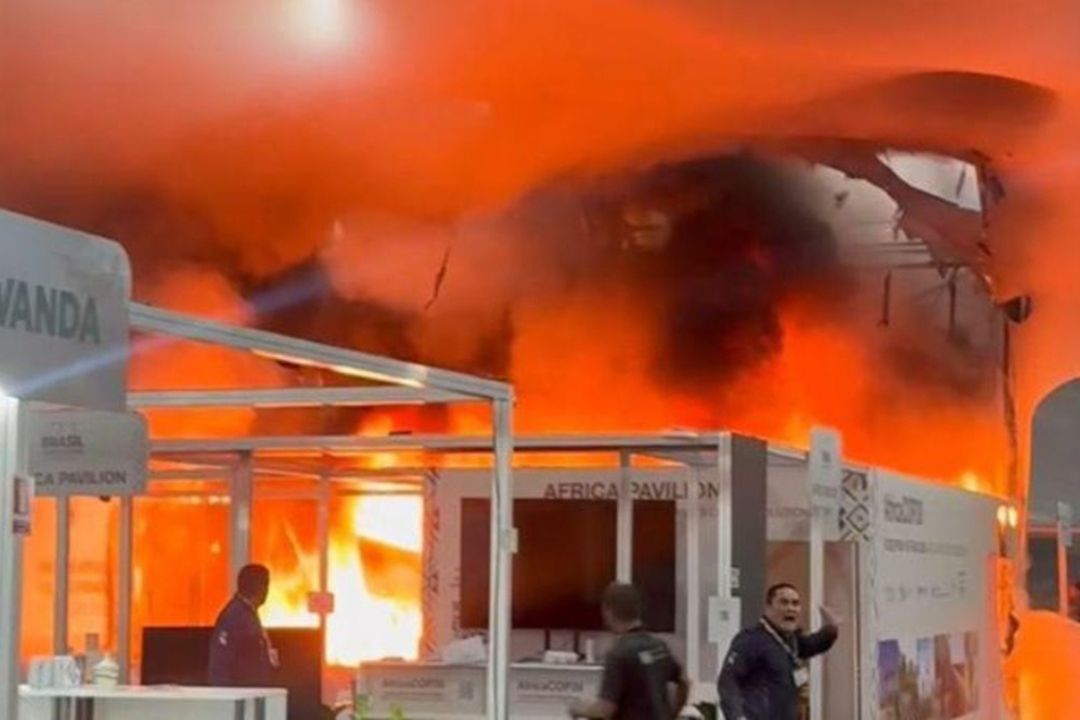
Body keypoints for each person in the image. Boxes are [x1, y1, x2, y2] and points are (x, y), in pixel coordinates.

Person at [717, 582, 840, 720]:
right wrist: (737, 716)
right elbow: (728, 680)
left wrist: (831, 628)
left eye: (795, 603)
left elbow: (813, 644)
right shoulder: (751, 640)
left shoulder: (791, 641)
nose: (791, 608)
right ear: (768, 607)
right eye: (784, 602)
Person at [569, 582, 690, 719]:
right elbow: (684, 682)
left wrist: (578, 709)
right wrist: (673, 714)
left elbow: (606, 709)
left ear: (608, 612)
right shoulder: (659, 647)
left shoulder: (618, 654)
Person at [208, 563, 279, 687]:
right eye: (266, 584)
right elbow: (220, 661)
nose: (267, 591)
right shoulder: (235, 616)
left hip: (252, 691)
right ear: (258, 587)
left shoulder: (248, 614)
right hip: (241, 693)